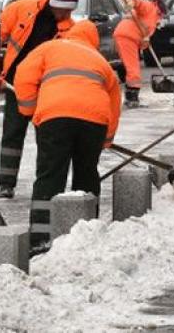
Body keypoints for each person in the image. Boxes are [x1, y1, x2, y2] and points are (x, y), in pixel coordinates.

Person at [14, 20, 121, 253]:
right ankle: (86, 230)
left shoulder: (50, 47)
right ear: (93, 39)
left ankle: (41, 235)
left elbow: (24, 74)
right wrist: (107, 138)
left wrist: (29, 110)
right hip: (94, 120)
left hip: (55, 116)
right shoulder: (100, 60)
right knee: (86, 172)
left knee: (50, 173)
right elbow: (114, 99)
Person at [0, 0, 78, 198]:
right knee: (13, 131)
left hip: (46, 87)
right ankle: (6, 183)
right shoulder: (21, 9)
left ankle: (46, 183)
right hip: (15, 82)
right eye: (62, 11)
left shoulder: (70, 28)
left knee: (46, 134)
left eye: (69, 12)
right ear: (52, 4)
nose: (64, 15)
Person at [114, 0, 167, 108]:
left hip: (129, 37)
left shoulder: (154, 17)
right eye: (162, 15)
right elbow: (138, 3)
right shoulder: (150, 7)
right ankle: (132, 100)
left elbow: (144, 31)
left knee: (131, 67)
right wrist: (131, 2)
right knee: (134, 70)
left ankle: (129, 97)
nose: (161, 18)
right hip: (127, 36)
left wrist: (145, 40)